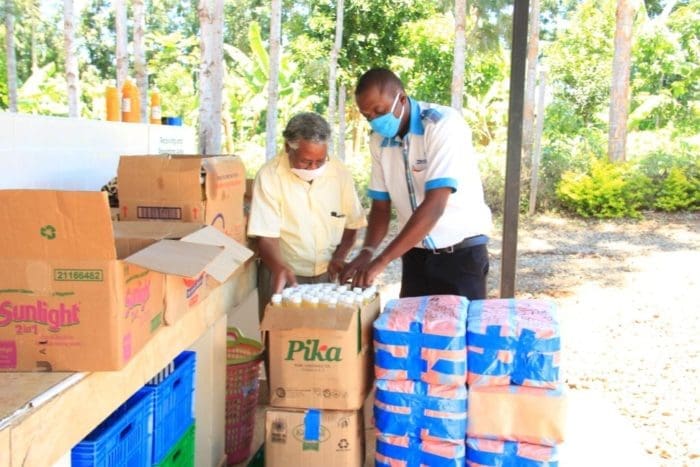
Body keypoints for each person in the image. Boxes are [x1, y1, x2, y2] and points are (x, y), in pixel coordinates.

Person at [341, 68, 492, 300]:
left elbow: (435, 205)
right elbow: (381, 207)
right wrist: (367, 252)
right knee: (413, 332)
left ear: (401, 98)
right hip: (415, 256)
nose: (374, 120)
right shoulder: (378, 141)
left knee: (459, 334)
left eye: (379, 111)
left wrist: (382, 260)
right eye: (367, 115)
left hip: (461, 255)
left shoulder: (441, 124)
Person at [248, 112, 367, 317]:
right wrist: (279, 268)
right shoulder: (269, 176)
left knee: (322, 341)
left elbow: (352, 222)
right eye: (305, 161)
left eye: (320, 161)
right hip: (282, 275)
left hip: (326, 275)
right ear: (288, 148)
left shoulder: (339, 172)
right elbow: (266, 237)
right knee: (281, 340)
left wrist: (339, 257)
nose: (313, 167)